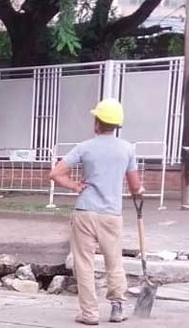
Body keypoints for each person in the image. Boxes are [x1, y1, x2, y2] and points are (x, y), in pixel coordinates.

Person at [49, 98, 144, 325]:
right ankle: (117, 307)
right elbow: (134, 187)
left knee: (84, 264)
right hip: (112, 214)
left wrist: (74, 185)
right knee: (114, 262)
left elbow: (55, 173)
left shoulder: (85, 147)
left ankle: (89, 314)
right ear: (117, 125)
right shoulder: (127, 149)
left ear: (97, 122)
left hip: (85, 212)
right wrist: (140, 190)